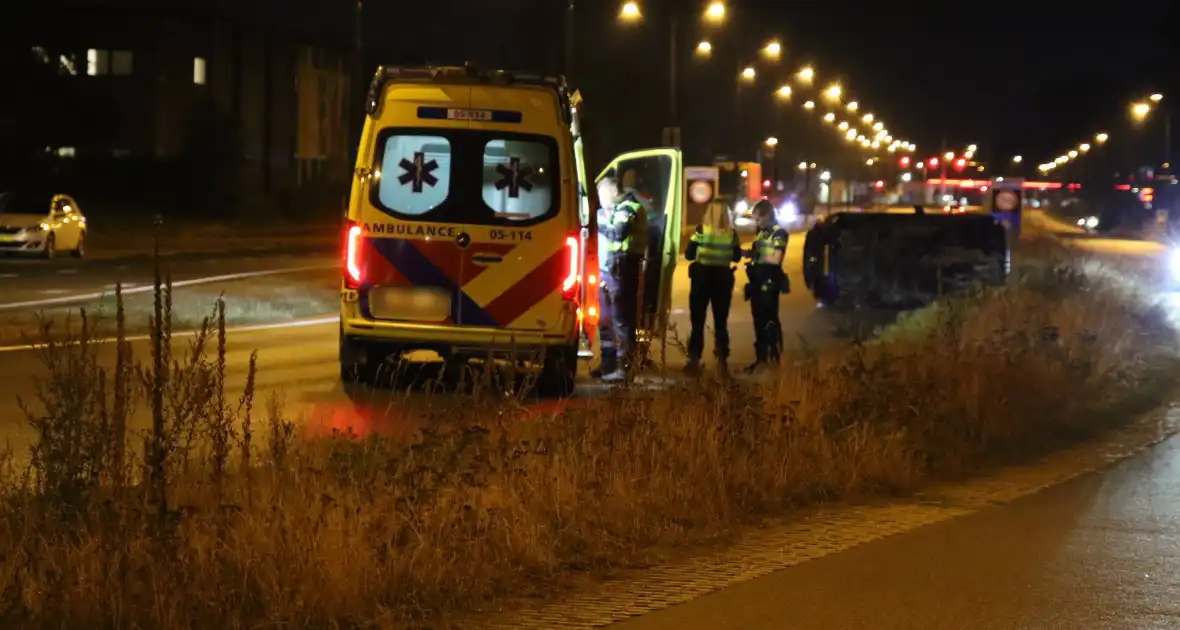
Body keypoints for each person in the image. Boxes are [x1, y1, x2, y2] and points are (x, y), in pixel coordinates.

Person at [595, 170, 648, 383]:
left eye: (601, 195)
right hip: (608, 270)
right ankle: (608, 364)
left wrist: (597, 224)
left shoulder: (629, 207)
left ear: (609, 193)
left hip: (622, 269)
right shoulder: (613, 209)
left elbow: (618, 233)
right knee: (605, 320)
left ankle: (624, 367)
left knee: (622, 320)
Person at [684, 199, 741, 377]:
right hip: (723, 279)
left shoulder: (701, 230)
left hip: (702, 278)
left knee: (698, 321)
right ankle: (722, 360)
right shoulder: (732, 234)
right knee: (721, 322)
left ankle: (694, 359)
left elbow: (688, 254)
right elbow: (737, 257)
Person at [743, 199, 789, 374]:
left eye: (758, 218)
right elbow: (757, 253)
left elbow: (776, 258)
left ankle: (774, 358)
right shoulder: (761, 232)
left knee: (769, 320)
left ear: (768, 215)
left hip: (769, 282)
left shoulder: (779, 233)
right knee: (758, 321)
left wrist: (757, 256)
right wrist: (743, 253)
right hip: (756, 282)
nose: (757, 222)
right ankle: (761, 359)